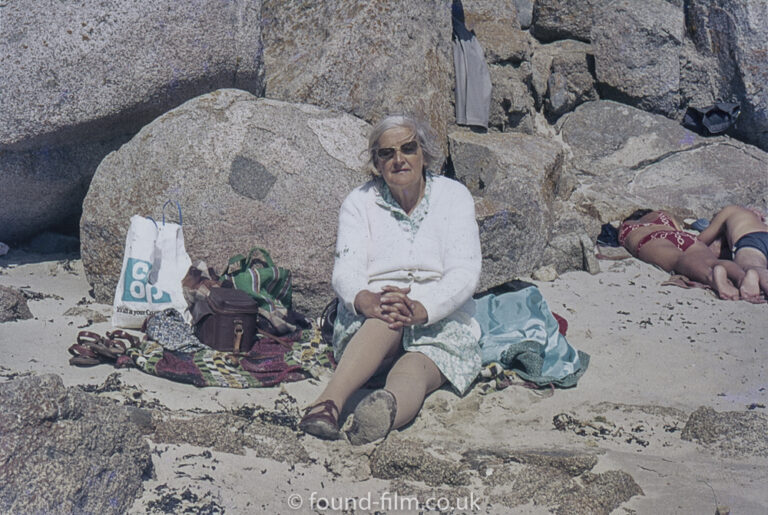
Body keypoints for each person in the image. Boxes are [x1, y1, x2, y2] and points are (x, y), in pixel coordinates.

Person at [299, 114, 482, 445]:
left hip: (438, 316)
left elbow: (465, 272)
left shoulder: (454, 197)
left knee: (417, 368)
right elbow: (346, 269)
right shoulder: (359, 202)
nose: (399, 160)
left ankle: (382, 413)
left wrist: (423, 309)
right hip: (374, 317)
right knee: (387, 315)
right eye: (387, 153)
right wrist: (363, 299)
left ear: (423, 154)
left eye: (408, 148)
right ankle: (328, 405)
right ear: (376, 163)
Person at [618, 209, 745, 300]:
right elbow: (679, 228)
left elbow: (622, 244)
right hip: (682, 236)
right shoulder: (662, 214)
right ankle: (742, 278)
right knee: (711, 261)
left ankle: (711, 277)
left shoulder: (626, 226)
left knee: (679, 260)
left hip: (651, 239)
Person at [697, 205, 768, 302]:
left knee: (752, 267)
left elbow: (700, 241)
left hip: (753, 238)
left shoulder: (729, 210)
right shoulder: (756, 220)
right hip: (761, 236)